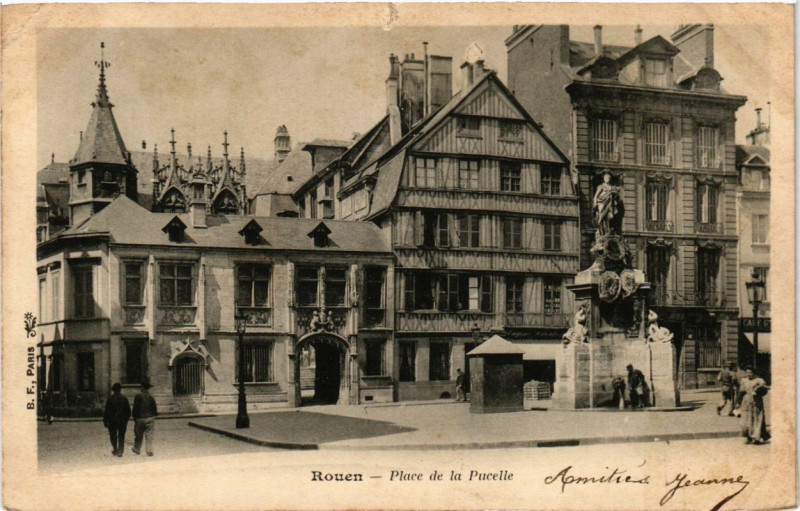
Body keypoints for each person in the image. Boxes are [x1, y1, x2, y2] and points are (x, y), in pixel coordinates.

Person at [738, 368, 770, 444]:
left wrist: (757, 391)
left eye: (750, 372)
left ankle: (756, 438)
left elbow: (765, 389)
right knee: (745, 421)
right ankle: (748, 437)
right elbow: (741, 392)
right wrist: (738, 403)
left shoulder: (759, 380)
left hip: (756, 402)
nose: (748, 374)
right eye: (747, 372)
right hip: (746, 402)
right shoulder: (743, 380)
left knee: (756, 420)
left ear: (754, 373)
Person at [103, 383, 131, 457]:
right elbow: (128, 411)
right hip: (122, 421)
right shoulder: (124, 398)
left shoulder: (110, 399)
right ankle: (120, 450)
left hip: (112, 421)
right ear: (120, 390)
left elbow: (106, 411)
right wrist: (125, 420)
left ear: (113, 390)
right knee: (121, 436)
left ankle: (115, 449)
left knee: (113, 436)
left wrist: (105, 421)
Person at [132, 380, 158, 456]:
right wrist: (153, 416)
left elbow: (135, 408)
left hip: (140, 418)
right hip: (149, 418)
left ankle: (137, 449)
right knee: (149, 435)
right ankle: (149, 450)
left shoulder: (138, 396)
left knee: (138, 434)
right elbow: (154, 408)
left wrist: (134, 417)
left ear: (142, 387)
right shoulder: (151, 396)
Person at [592, 172, 623, 236]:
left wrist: (615, 193)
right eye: (606, 178)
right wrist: (595, 203)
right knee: (602, 217)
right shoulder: (601, 186)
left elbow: (617, 195)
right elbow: (596, 196)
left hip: (610, 203)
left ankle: (608, 230)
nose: (608, 179)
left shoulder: (612, 187)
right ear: (604, 179)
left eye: (609, 178)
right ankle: (603, 232)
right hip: (602, 203)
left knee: (611, 216)